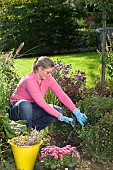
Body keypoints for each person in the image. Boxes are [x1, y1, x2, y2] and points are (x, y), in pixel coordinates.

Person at [8, 56, 87, 131]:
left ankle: (32, 129)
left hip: (32, 108)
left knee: (58, 110)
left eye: (51, 73)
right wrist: (62, 118)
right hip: (17, 110)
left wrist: (75, 111)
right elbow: (42, 103)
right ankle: (26, 134)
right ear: (40, 69)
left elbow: (62, 95)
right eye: (48, 72)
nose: (50, 75)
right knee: (25, 104)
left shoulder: (48, 78)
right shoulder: (29, 80)